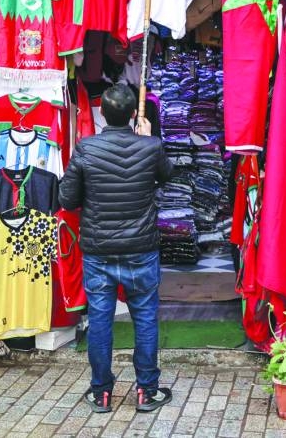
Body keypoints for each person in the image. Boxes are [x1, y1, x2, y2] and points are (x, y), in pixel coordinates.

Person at [59, 84, 173, 413]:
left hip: (98, 251)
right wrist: (151, 138)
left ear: (103, 115)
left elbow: (67, 198)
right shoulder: (150, 147)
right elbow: (168, 176)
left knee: (100, 321)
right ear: (134, 115)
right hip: (141, 247)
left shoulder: (85, 148)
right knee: (146, 318)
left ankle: (101, 393)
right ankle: (147, 392)